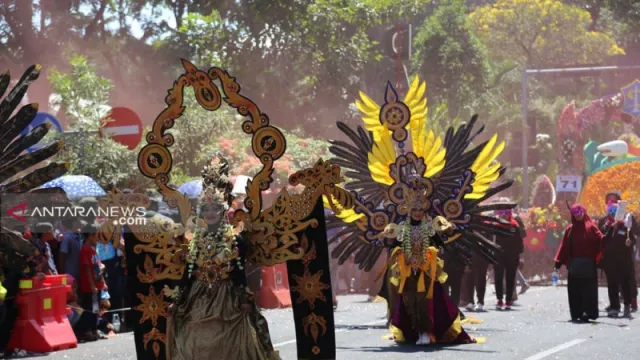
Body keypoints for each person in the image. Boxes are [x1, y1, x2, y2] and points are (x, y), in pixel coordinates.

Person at [166, 154, 279, 360]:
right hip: (198, 296)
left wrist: (244, 299)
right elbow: (188, 271)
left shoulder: (235, 239)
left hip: (228, 295)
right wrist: (177, 299)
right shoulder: (195, 238)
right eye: (206, 208)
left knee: (238, 340)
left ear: (223, 209)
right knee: (193, 339)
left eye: (215, 208)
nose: (210, 213)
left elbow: (239, 272)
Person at [554, 205, 606, 322]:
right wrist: (557, 264)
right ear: (573, 215)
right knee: (575, 291)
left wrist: (610, 232)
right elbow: (564, 248)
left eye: (580, 212)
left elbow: (601, 239)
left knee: (589, 291)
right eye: (576, 213)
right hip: (575, 267)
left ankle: (588, 313)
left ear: (584, 212)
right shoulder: (570, 229)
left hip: (589, 266)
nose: (579, 215)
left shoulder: (591, 227)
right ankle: (577, 313)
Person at [603, 191, 638, 312]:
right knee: (612, 282)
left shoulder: (627, 219)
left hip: (624, 258)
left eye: (615, 201)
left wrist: (630, 241)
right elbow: (601, 238)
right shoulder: (604, 222)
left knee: (626, 280)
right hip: (610, 259)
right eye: (609, 201)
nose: (612, 205)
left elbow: (633, 236)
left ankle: (630, 300)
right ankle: (614, 305)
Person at [78, 224, 105, 313]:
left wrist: (103, 283)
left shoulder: (93, 250)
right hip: (90, 287)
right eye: (96, 235)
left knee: (97, 308)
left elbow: (98, 266)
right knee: (91, 309)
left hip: (97, 284)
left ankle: (96, 325)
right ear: (90, 236)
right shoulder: (85, 249)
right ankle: (91, 327)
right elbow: (87, 268)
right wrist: (92, 286)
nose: (98, 238)